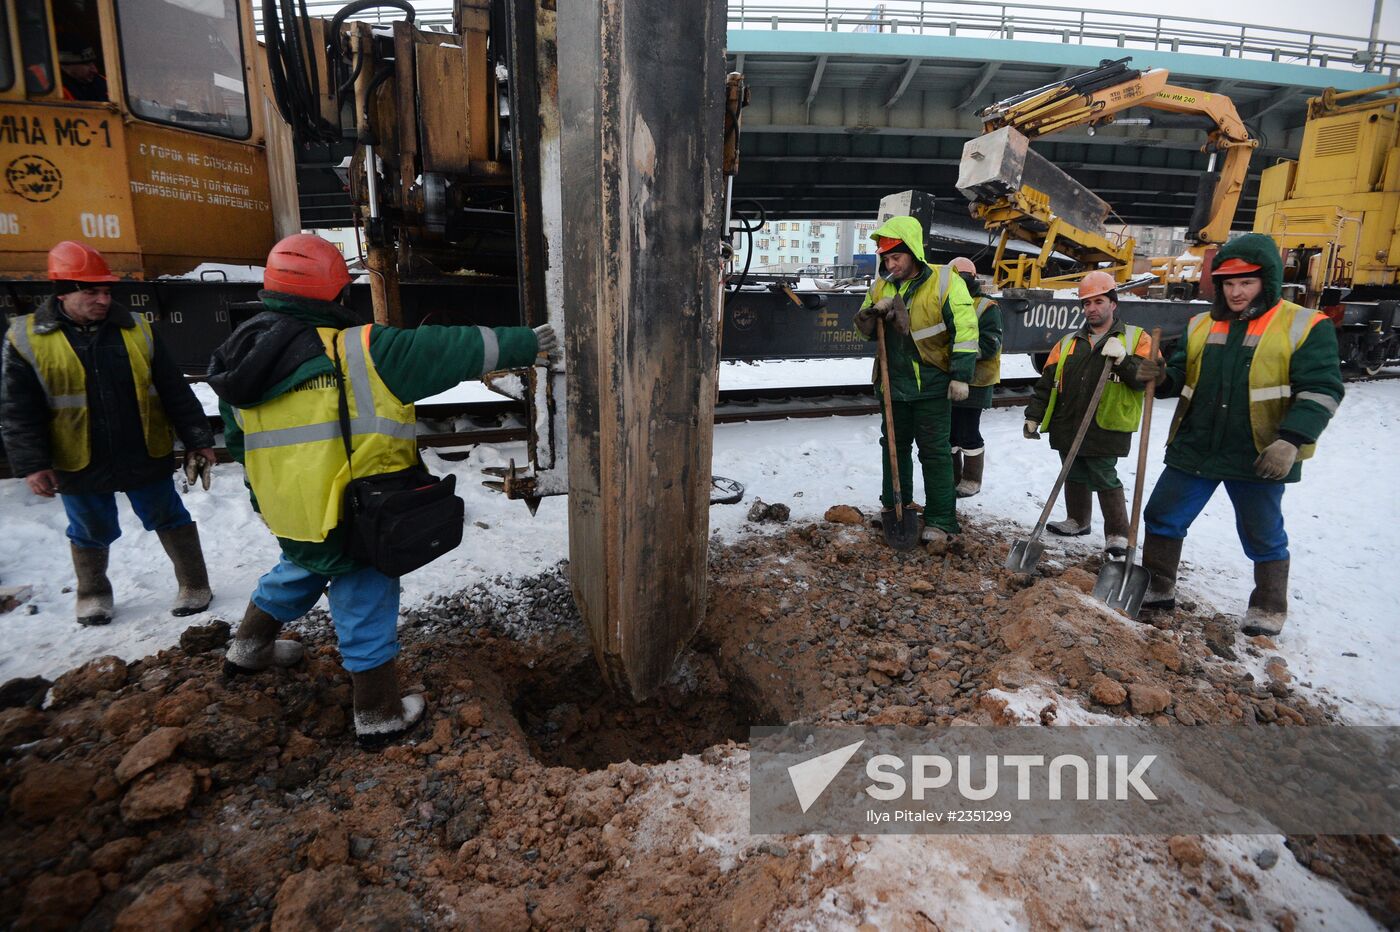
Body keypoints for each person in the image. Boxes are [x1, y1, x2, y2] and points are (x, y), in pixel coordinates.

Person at [209, 234, 556, 746]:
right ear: (336, 292)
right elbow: (453, 349)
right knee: (364, 599)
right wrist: (529, 342)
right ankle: (378, 714)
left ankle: (247, 649)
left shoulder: (240, 360)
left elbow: (239, 445)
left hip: (291, 510)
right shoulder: (365, 350)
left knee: (299, 569)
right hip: (358, 512)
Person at [1137, 234, 1343, 635]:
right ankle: (1159, 585)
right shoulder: (1201, 323)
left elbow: (1323, 388)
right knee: (1162, 515)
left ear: (1266, 281)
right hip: (1196, 444)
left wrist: (1290, 440)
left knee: (1261, 531)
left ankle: (1269, 605)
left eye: (1246, 282)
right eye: (1228, 283)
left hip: (1259, 449)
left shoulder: (1304, 325)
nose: (1235, 292)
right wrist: (1161, 378)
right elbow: (1182, 375)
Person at [2, 241, 216, 625]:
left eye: (106, 291)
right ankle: (93, 594)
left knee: (169, 515)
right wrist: (32, 464)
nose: (103, 299)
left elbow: (173, 390)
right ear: (63, 291)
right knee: (89, 528)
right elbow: (19, 409)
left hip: (141, 448)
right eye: (91, 291)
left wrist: (199, 438)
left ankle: (195, 584)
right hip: (78, 456)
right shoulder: (27, 338)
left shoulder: (137, 330)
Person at [853, 217, 978, 547]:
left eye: (896, 257)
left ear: (912, 252)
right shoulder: (882, 286)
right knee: (892, 446)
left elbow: (965, 330)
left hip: (932, 382)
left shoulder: (945, 281)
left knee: (934, 452)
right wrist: (872, 314)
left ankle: (941, 518)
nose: (890, 264)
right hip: (893, 383)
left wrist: (962, 376)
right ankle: (895, 505)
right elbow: (864, 329)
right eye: (886, 259)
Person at [1022, 270, 1152, 558]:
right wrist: (1034, 415)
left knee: (1103, 474)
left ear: (1113, 303)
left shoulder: (1136, 338)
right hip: (1068, 420)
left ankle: (1117, 533)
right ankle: (1078, 520)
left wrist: (1123, 359)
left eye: (1099, 301)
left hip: (1107, 422)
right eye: (1086, 303)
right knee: (1072, 467)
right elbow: (1047, 383)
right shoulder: (1068, 342)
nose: (1092, 309)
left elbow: (1148, 378)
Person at [946, 256, 1002, 498]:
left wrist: (959, 355)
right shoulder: (948, 302)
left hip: (976, 381)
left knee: (968, 431)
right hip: (951, 379)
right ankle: (951, 479)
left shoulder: (986, 307)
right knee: (949, 433)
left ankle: (971, 479)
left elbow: (990, 345)